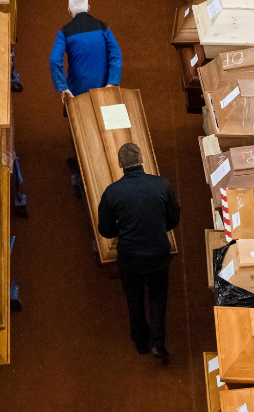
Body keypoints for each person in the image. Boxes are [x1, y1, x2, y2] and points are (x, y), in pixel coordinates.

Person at [97, 143, 180, 362]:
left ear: (120, 163)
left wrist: (123, 229)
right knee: (158, 297)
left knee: (134, 298)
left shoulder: (112, 192)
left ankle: (141, 342)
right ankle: (157, 343)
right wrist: (155, 227)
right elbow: (174, 219)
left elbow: (105, 230)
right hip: (158, 255)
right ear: (141, 159)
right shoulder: (162, 185)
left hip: (130, 257)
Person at [50, 0, 123, 103]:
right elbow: (116, 55)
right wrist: (112, 82)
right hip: (103, 90)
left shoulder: (64, 32)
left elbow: (55, 59)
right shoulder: (103, 27)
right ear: (88, 7)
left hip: (76, 92)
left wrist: (63, 87)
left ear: (69, 10)